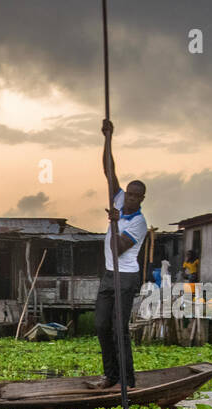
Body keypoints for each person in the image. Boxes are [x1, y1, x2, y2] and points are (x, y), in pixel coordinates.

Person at [94, 118, 148, 389]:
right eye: (129, 193)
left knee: (118, 329)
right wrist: (108, 137)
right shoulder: (116, 199)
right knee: (101, 326)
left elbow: (117, 249)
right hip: (108, 275)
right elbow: (109, 169)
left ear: (141, 199)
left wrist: (115, 222)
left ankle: (128, 380)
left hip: (125, 279)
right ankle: (110, 375)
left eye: (137, 196)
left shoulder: (139, 223)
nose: (131, 198)